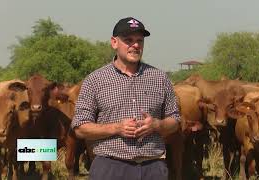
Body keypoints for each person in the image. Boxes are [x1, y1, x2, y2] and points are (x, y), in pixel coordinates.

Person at [71, 17, 181, 180]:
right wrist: (116, 128)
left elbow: (175, 120)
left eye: (139, 41)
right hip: (110, 167)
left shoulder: (160, 78)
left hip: (153, 167)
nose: (135, 45)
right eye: (128, 40)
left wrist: (157, 125)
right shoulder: (95, 80)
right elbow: (79, 127)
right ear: (114, 42)